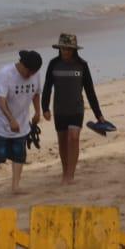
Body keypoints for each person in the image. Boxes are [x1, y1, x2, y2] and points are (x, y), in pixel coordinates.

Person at [40, 33, 104, 184]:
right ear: (60, 48)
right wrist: (45, 108)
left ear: (74, 50)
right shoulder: (53, 64)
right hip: (59, 109)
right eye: (63, 48)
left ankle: (70, 174)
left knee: (74, 138)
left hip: (76, 109)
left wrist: (98, 115)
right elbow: (47, 87)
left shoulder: (82, 65)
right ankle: (65, 172)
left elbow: (90, 91)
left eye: (69, 49)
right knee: (62, 141)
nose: (66, 52)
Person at [0, 50, 43, 196]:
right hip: (0, 122)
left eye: (33, 72)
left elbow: (36, 93)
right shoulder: (6, 73)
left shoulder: (35, 74)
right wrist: (11, 119)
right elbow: (1, 99)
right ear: (22, 64)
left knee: (19, 154)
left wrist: (38, 112)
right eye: (29, 71)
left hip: (22, 121)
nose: (30, 75)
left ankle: (16, 186)